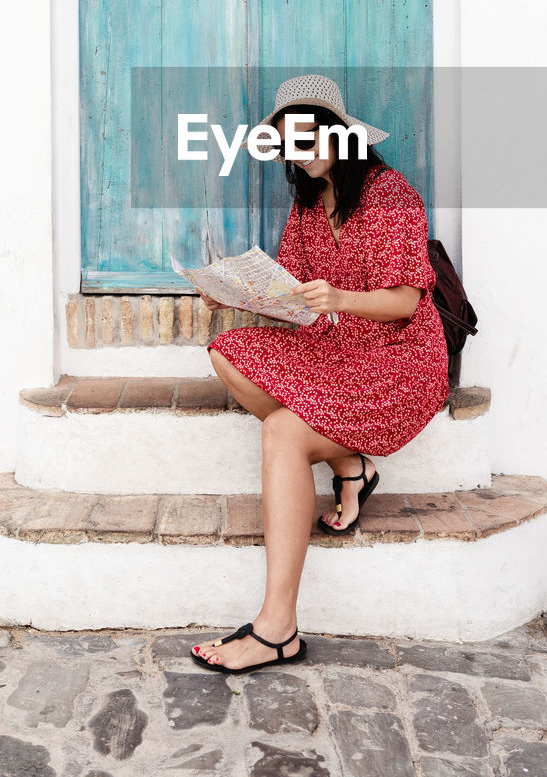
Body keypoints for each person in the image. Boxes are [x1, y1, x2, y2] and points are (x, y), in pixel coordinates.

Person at [188, 75, 450, 674]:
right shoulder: (308, 207)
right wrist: (237, 294)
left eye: (308, 139)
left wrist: (339, 299)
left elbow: (406, 301)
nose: (298, 154)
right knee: (228, 350)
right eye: (287, 145)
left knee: (283, 430)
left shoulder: (391, 195)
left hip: (399, 359)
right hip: (333, 346)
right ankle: (348, 464)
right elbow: (295, 298)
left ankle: (277, 629)